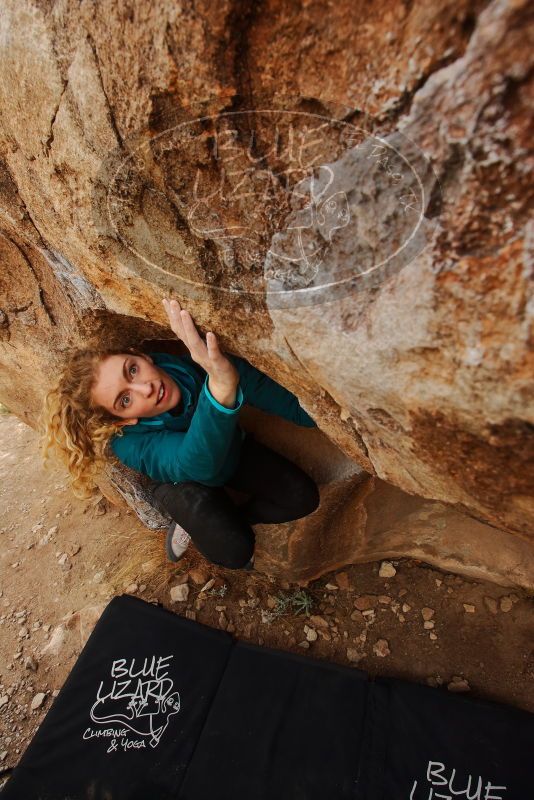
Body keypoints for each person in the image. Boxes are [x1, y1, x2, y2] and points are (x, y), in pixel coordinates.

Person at [41, 297, 320, 570]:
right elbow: (195, 465)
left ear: (142, 356)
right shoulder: (129, 444)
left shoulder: (190, 366)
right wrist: (220, 390)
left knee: (303, 498)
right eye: (125, 400)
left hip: (229, 453)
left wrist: (328, 412)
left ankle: (235, 516)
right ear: (122, 421)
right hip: (183, 480)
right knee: (235, 551)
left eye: (133, 370)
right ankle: (190, 519)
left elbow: (280, 399)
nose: (145, 388)